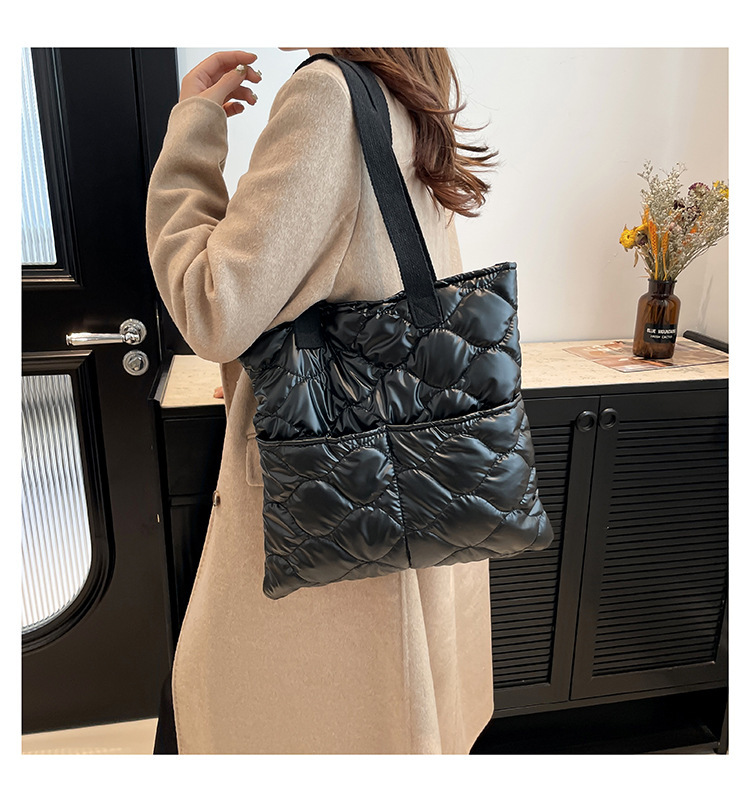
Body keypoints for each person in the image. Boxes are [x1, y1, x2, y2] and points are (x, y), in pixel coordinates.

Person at [146, 47, 498, 754]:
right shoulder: (408, 94)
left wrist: (193, 128)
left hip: (333, 519)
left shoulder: (327, 97)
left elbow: (212, 308)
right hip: (419, 499)